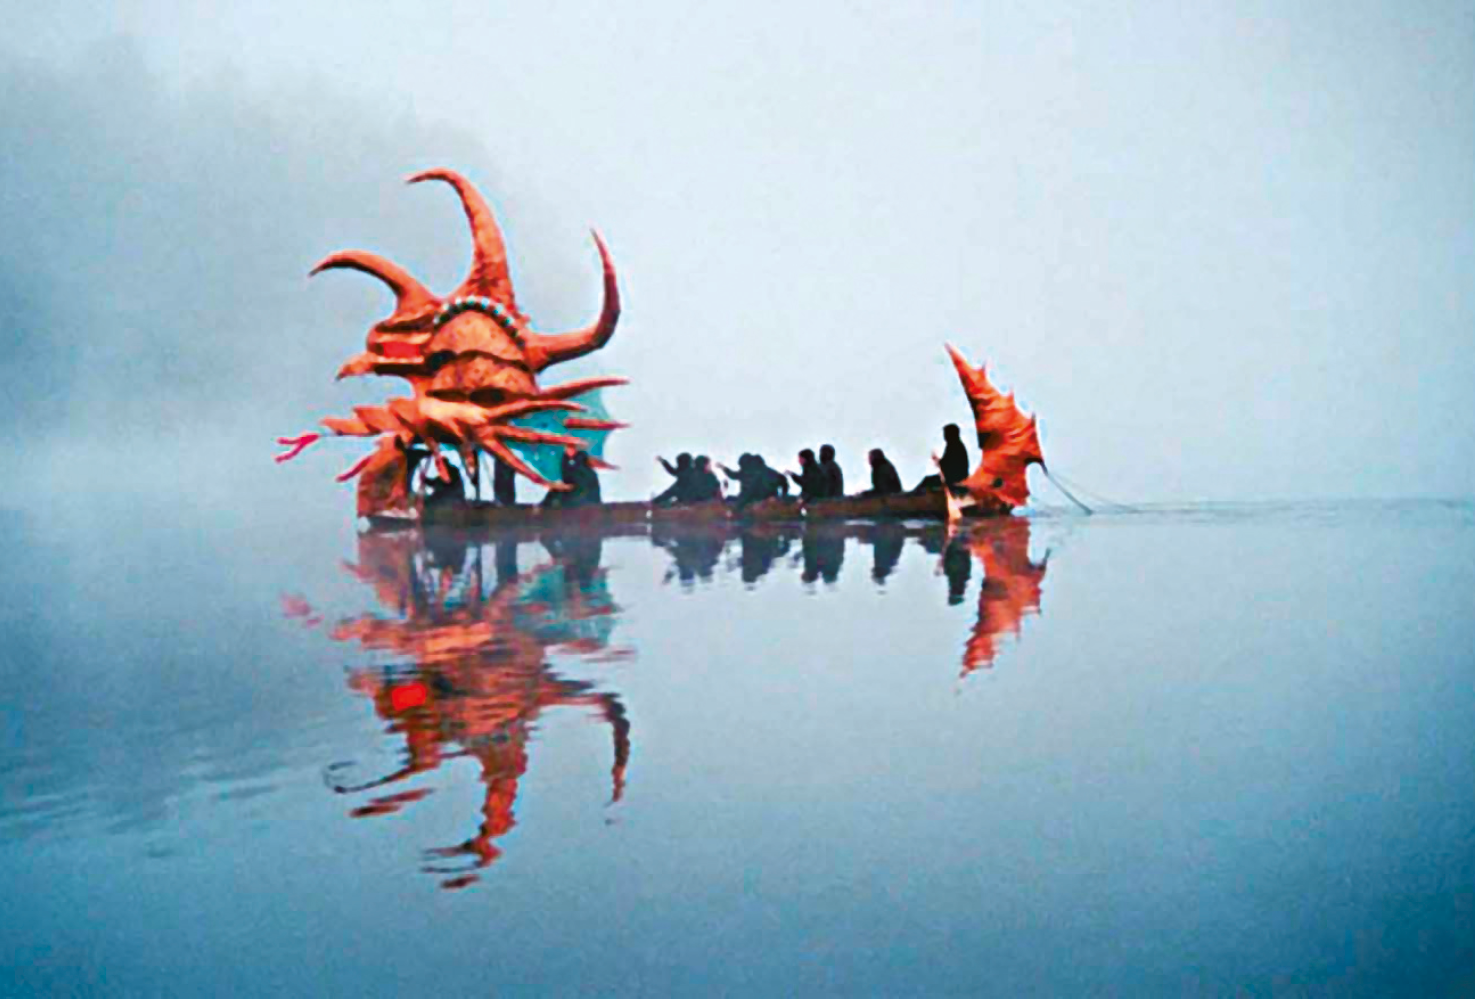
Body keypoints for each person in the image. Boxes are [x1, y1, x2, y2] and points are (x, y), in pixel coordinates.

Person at [916, 424, 970, 491]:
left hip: (954, 480)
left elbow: (948, 466)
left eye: (945, 433)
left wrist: (937, 460)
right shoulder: (956, 445)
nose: (944, 436)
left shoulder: (953, 446)